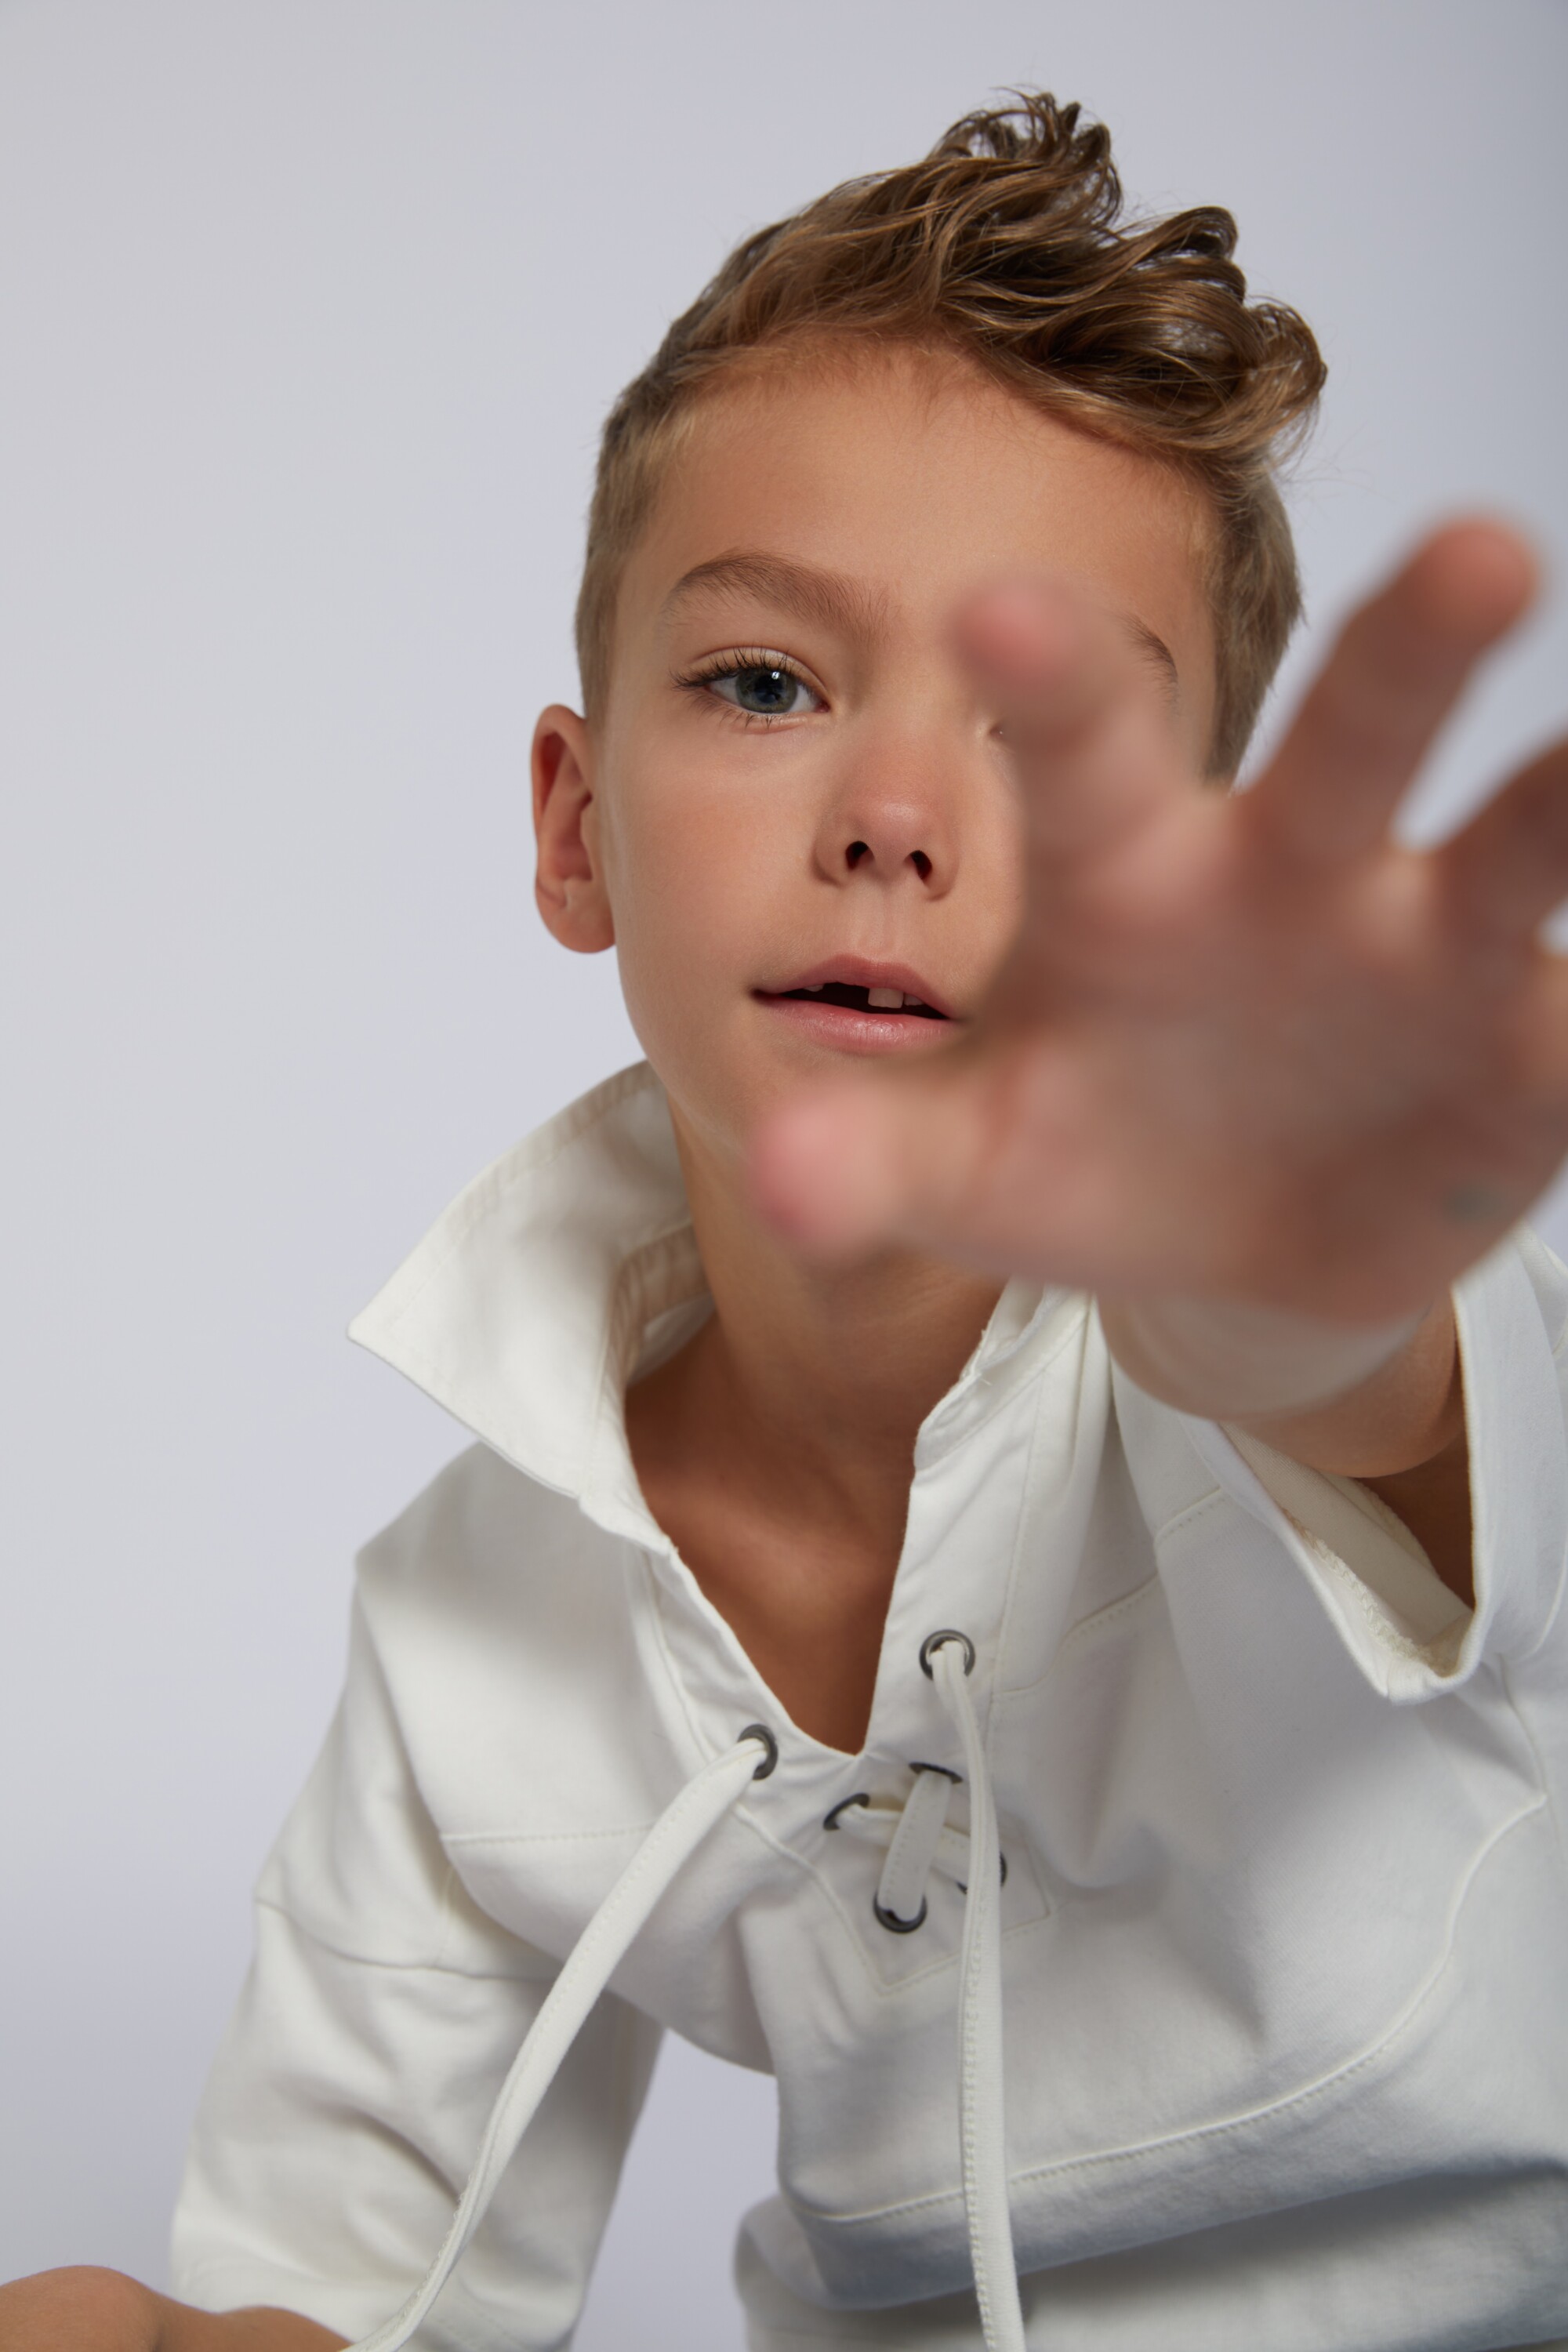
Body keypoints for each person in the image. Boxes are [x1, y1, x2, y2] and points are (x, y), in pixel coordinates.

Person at [6, 89, 1566, 2352]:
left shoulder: (1307, 1274)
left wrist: (1317, 1329)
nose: (896, 814)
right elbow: (346, 2291)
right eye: (765, 682)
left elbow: (1419, 1416)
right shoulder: (470, 1623)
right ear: (577, 828)